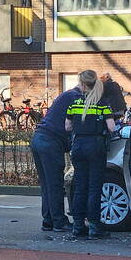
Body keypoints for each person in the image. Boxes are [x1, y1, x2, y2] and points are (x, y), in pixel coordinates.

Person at [65, 70, 118, 239]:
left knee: (80, 186)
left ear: (82, 84)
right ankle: (94, 227)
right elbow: (111, 127)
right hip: (95, 147)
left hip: (78, 146)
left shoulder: (74, 102)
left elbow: (67, 126)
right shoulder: (102, 103)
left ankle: (78, 226)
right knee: (94, 188)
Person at [30, 82, 82, 232]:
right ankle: (59, 221)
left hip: (39, 138)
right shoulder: (76, 97)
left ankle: (48, 220)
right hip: (50, 142)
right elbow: (75, 124)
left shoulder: (68, 95)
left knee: (47, 184)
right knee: (55, 184)